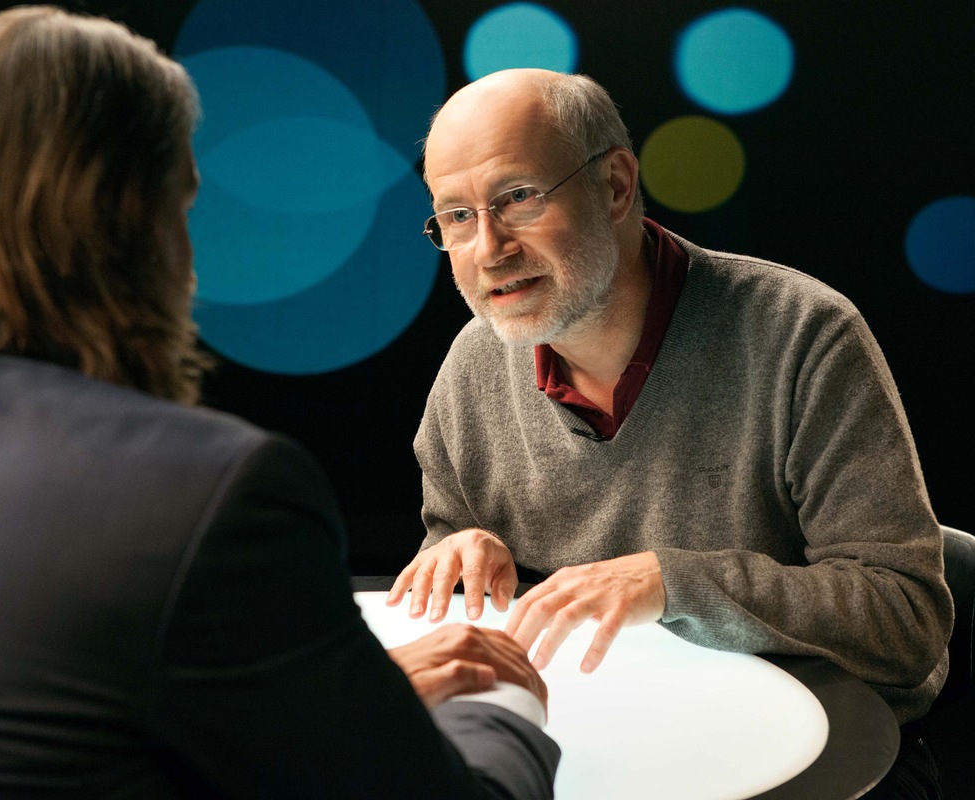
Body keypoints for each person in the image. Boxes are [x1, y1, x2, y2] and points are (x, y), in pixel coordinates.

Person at [0, 9, 560, 798]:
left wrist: (324, 697)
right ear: (135, 221)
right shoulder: (208, 494)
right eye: (185, 205)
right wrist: (502, 708)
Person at [388, 68, 953, 799]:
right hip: (613, 737)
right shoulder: (474, 361)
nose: (489, 249)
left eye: (518, 198)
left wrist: (673, 581)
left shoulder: (802, 334)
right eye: (457, 217)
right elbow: (462, 580)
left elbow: (907, 623)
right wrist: (459, 553)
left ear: (616, 185)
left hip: (813, 758)